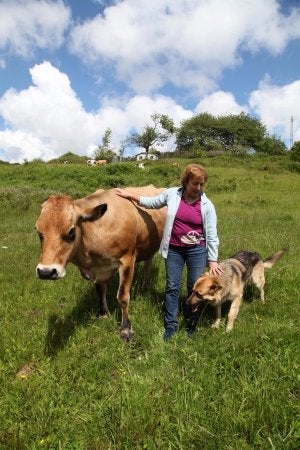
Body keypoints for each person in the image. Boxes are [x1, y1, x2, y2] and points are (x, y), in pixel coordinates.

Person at [115, 163, 222, 340]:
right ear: (186, 181)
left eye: (202, 184)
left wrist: (213, 259)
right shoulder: (172, 194)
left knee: (193, 288)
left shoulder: (207, 205)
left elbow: (212, 233)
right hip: (174, 250)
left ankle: (191, 323)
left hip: (197, 250)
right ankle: (170, 325)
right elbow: (152, 202)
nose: (198, 188)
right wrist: (129, 195)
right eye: (195, 183)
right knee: (172, 287)